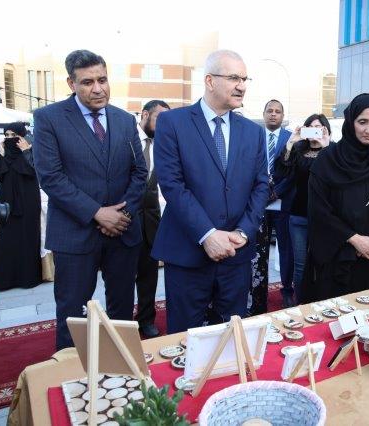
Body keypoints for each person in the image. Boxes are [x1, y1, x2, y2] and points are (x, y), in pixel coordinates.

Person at [34, 50, 147, 350]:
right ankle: (70, 372)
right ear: (71, 84)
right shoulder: (48, 119)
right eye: (87, 82)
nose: (98, 88)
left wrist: (122, 216)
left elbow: (140, 172)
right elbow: (51, 177)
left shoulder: (124, 120)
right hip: (74, 234)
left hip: (123, 232)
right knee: (73, 315)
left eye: (102, 80)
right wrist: (97, 213)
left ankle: (122, 370)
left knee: (122, 311)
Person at [151, 50, 268, 333]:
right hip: (188, 252)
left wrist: (242, 233)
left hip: (236, 254)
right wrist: (207, 234)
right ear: (210, 80)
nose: (242, 86)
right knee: (184, 338)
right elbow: (172, 184)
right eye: (234, 78)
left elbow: (261, 185)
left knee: (231, 336)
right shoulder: (172, 122)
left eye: (245, 79)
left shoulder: (253, 132)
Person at [301, 93, 369, 302]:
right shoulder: (327, 160)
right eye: (362, 122)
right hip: (338, 258)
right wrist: (355, 239)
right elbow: (319, 209)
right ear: (351, 121)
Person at [274, 113, 331, 301]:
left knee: (322, 262)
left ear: (325, 129)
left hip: (325, 218)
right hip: (298, 215)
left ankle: (321, 301)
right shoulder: (298, 149)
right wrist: (291, 141)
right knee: (300, 265)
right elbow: (281, 170)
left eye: (318, 127)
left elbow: (336, 176)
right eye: (311, 127)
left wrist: (326, 147)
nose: (314, 131)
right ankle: (301, 302)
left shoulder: (332, 149)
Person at [250, 99, 294, 313]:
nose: (273, 114)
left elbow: (293, 171)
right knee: (259, 251)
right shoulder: (254, 136)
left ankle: (286, 290)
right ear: (264, 114)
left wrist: (276, 192)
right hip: (258, 205)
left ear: (282, 116)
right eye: (270, 111)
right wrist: (261, 193)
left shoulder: (291, 138)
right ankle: (258, 293)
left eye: (278, 111)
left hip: (282, 203)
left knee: (285, 249)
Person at [0, 122, 41, 290]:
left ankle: (27, 278)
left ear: (22, 136)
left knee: (26, 237)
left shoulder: (32, 152)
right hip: (6, 204)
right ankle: (4, 280)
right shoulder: (6, 156)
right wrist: (2, 154)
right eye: (7, 135)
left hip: (28, 202)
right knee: (4, 239)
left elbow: (36, 171)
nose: (10, 138)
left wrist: (26, 152)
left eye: (14, 135)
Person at [134, 100, 170, 338]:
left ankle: (146, 319)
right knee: (120, 279)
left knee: (148, 276)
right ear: (145, 114)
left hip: (152, 222)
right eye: (160, 119)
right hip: (124, 221)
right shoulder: (126, 139)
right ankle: (120, 324)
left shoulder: (164, 146)